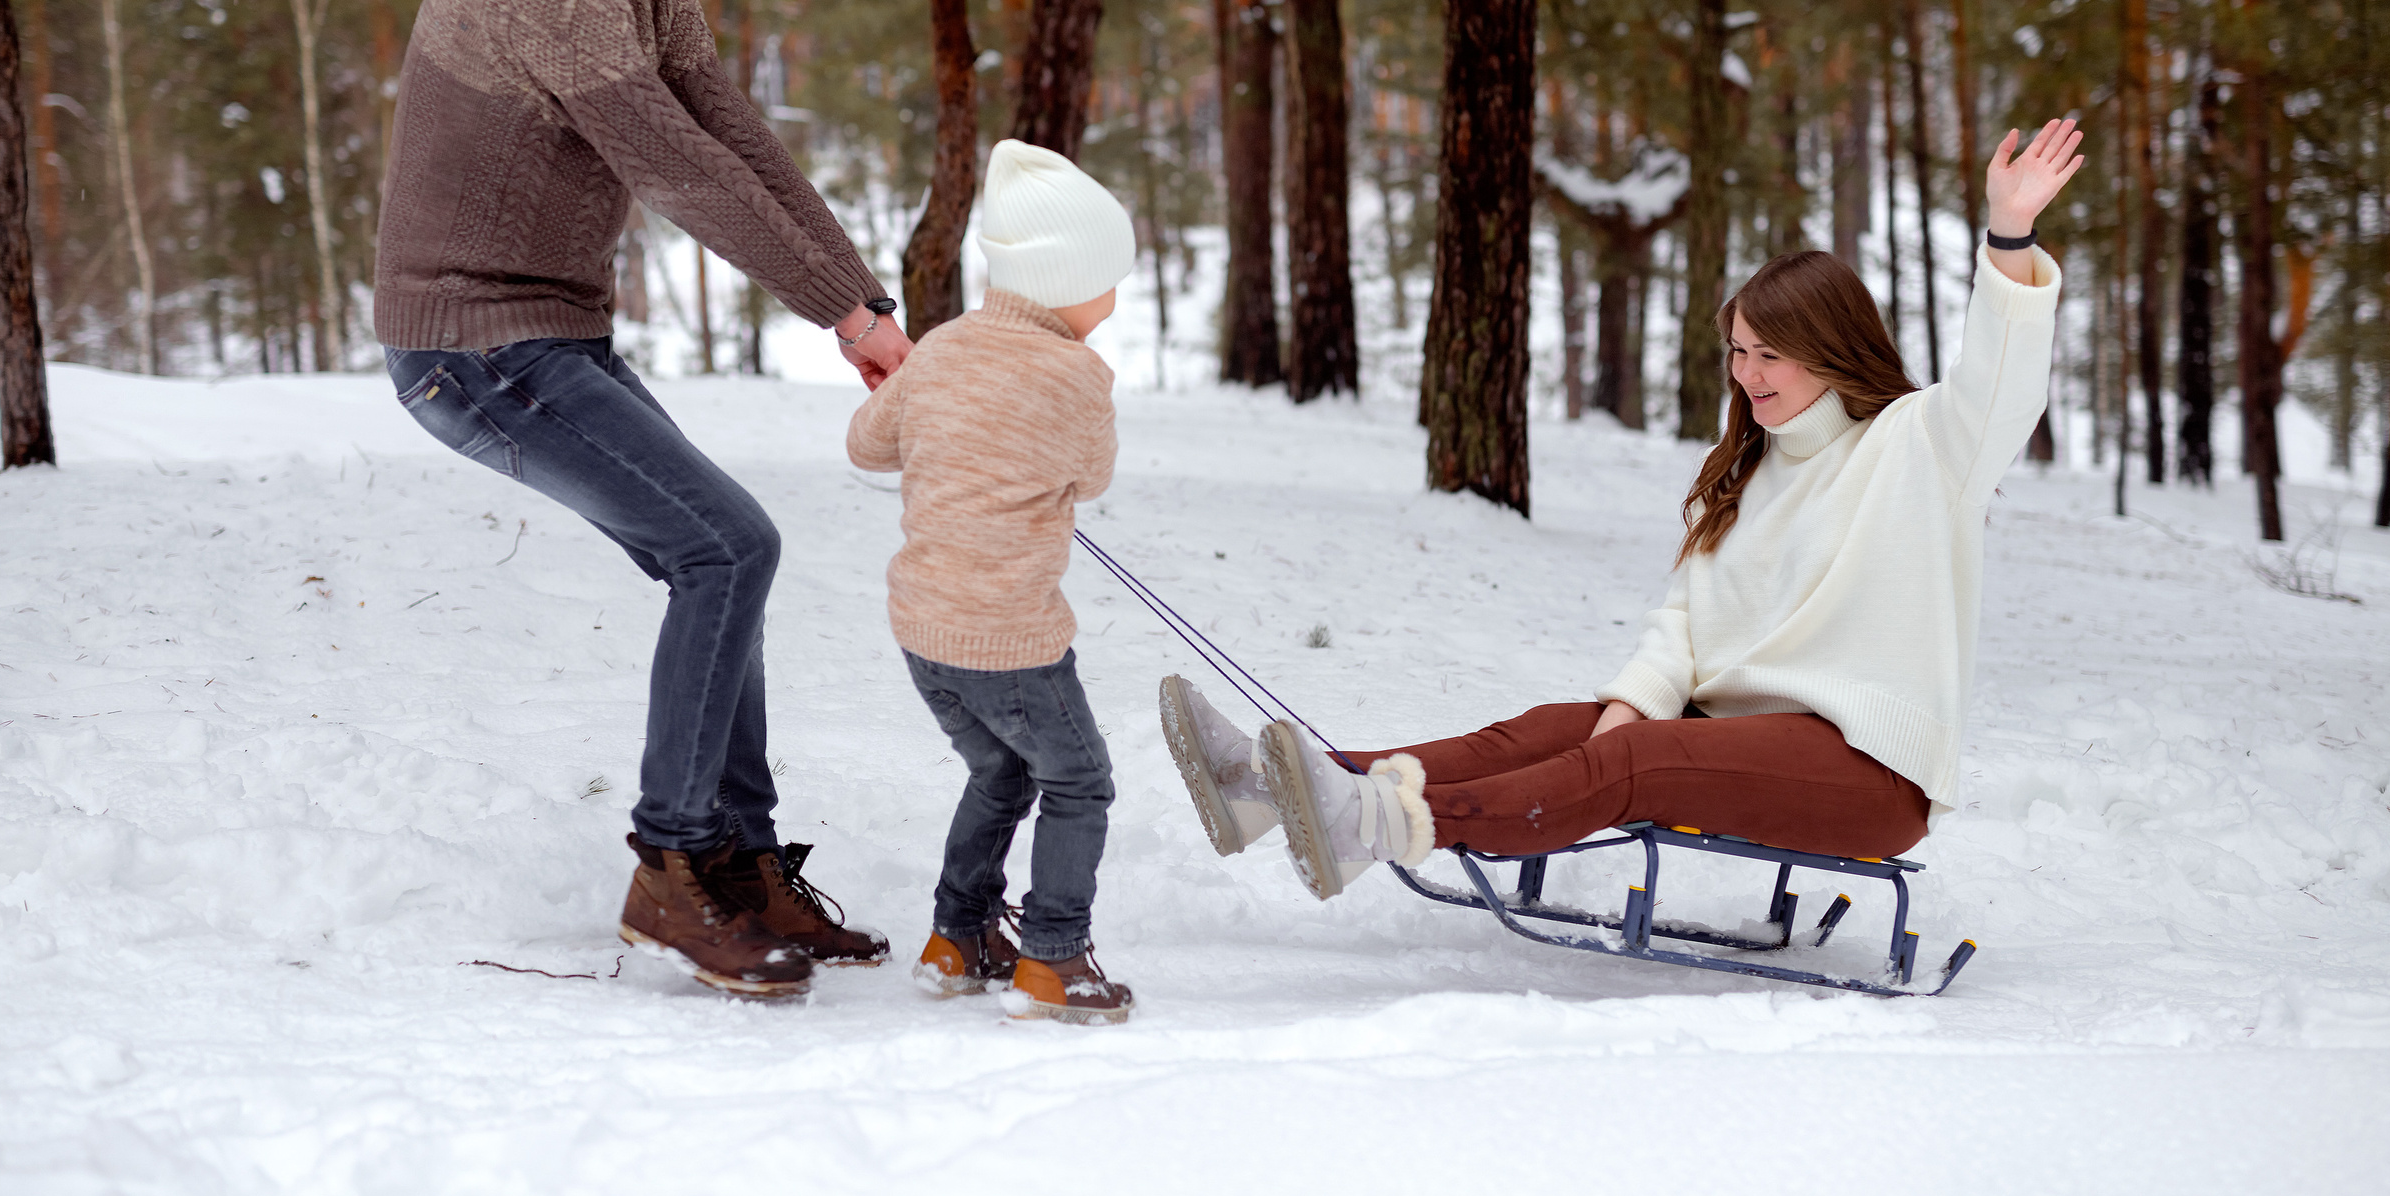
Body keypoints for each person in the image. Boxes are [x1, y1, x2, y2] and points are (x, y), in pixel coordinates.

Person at [1163, 119, 2088, 902]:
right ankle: (1275, 787)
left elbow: (2000, 383)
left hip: (1867, 773)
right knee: (1544, 730)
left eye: (1770, 354)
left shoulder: (1921, 446)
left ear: (1831, 348)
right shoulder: (1748, 474)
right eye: (1738, 351)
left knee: (1636, 763)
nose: (1747, 374)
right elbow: (1680, 623)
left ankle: (1373, 824)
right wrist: (1632, 705)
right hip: (1733, 736)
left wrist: (2009, 236)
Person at [375, 0, 909, 1000]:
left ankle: (738, 863)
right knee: (729, 546)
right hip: (469, 346)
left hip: (548, 331)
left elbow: (733, 136)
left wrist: (860, 298)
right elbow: (676, 170)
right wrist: (842, 318)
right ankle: (673, 866)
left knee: (715, 553)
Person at [845, 141, 1138, 1024]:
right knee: (1079, 782)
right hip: (1011, 640)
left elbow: (867, 445)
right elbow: (1093, 475)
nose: (1114, 298)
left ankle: (957, 938)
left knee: (1000, 774)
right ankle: (1054, 958)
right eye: (1107, 281)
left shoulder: (941, 348)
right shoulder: (1079, 372)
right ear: (1066, 280)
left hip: (923, 632)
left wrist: (923, 397)